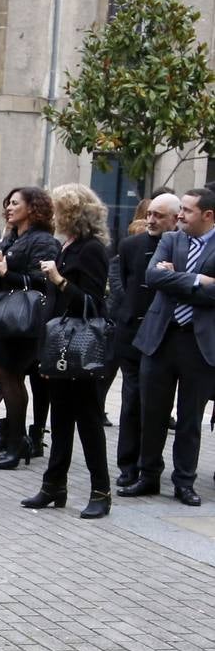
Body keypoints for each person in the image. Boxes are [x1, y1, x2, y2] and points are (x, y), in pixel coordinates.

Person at [21, 185, 112, 518]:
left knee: (87, 419)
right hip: (59, 342)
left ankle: (101, 491)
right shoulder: (68, 245)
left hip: (82, 345)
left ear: (73, 213)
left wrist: (59, 279)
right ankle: (53, 485)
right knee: (59, 417)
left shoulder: (92, 250)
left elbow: (92, 302)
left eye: (59, 210)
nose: (54, 216)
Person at [121, 187, 215, 507]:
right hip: (160, 338)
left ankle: (184, 482)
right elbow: (153, 276)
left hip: (198, 343)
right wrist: (197, 280)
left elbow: (213, 295)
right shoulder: (171, 239)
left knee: (190, 419)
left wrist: (178, 278)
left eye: (187, 211)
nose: (179, 216)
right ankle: (148, 476)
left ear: (208, 215)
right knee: (152, 413)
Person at [0, 186, 59, 470]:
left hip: (25, 322)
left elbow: (44, 281)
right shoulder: (14, 237)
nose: (9, 208)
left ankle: (19, 440)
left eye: (15, 203)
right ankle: (16, 437)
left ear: (33, 208)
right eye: (8, 203)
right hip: (7, 320)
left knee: (8, 374)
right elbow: (5, 269)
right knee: (4, 375)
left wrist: (7, 272)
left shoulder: (43, 241)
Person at [112, 193, 181, 490]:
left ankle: (149, 467)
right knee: (131, 403)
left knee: (155, 408)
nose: (151, 220)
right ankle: (128, 465)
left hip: (164, 338)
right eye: (149, 213)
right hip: (131, 335)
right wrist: (124, 309)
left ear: (175, 219)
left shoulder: (183, 248)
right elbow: (121, 280)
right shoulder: (130, 245)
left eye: (158, 216)